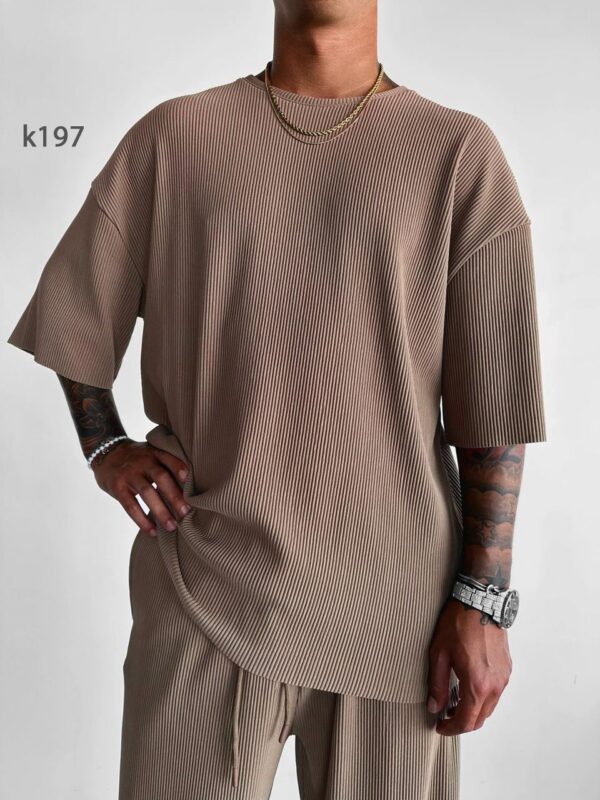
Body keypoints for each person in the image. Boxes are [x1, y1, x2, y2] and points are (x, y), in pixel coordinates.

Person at [6, 0, 547, 797]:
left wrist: (482, 601)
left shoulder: (458, 154)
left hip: (399, 612)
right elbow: (76, 308)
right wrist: (105, 445)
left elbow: (492, 405)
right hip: (202, 588)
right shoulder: (176, 138)